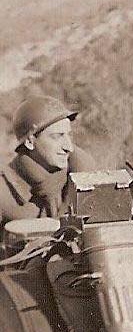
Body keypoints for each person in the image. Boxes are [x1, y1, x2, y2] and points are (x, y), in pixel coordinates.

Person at [0, 95, 96, 234]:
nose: (69, 147)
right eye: (57, 136)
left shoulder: (83, 175)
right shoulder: (5, 190)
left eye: (69, 135)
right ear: (30, 142)